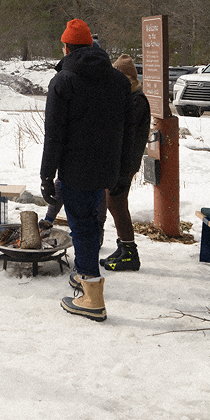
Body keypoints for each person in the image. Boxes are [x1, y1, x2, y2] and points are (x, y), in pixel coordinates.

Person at [40, 19, 130, 322]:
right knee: (92, 221)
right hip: (107, 168)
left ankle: (92, 296)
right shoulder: (118, 81)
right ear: (90, 45)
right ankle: (84, 275)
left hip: (75, 169)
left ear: (65, 47)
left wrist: (45, 176)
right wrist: (123, 170)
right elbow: (127, 131)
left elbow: (54, 135)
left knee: (82, 226)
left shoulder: (64, 81)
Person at [101, 54, 151, 272]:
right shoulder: (127, 97)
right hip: (119, 161)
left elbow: (124, 130)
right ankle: (123, 246)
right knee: (113, 202)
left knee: (117, 203)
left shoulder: (137, 100)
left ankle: (130, 251)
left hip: (127, 162)